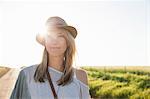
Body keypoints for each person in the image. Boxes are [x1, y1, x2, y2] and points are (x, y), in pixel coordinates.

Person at [10, 16, 91, 99]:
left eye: (60, 36)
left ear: (68, 41)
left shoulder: (80, 76)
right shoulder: (27, 74)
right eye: (49, 36)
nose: (54, 41)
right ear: (45, 41)